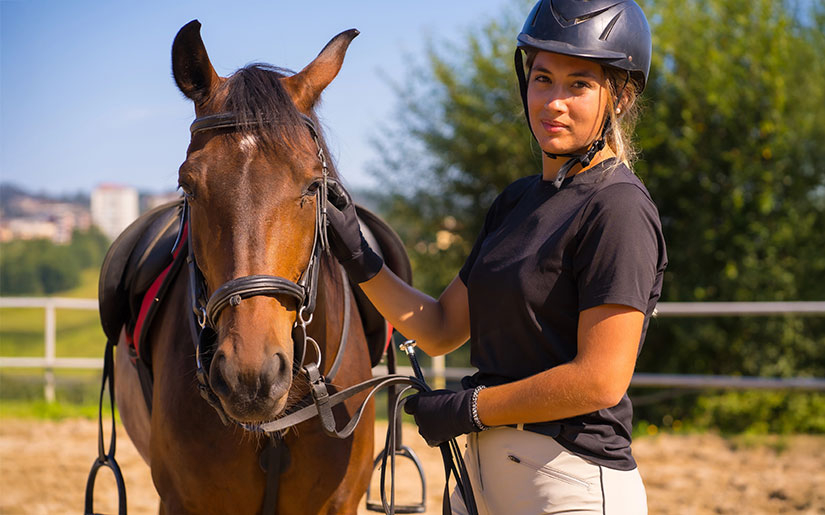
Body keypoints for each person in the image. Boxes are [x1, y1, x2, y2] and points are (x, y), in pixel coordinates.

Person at [325, 0, 667, 512]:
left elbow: (600, 378)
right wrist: (359, 258)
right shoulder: (514, 202)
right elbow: (440, 328)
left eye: (579, 84)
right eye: (542, 78)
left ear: (618, 96)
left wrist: (471, 408)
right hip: (479, 482)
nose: (553, 102)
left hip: (567, 482)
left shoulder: (617, 206)